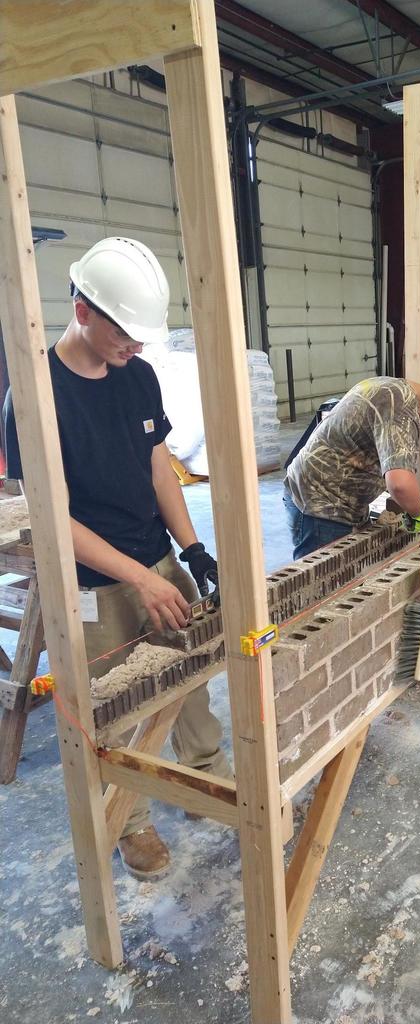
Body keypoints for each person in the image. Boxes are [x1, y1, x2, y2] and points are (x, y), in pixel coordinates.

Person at [4, 237, 231, 880]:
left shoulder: (138, 375)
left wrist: (190, 550)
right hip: (92, 583)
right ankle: (130, 822)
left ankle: (206, 777)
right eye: (124, 333)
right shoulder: (36, 393)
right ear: (82, 308)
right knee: (116, 705)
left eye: (140, 336)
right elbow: (52, 517)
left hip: (154, 557)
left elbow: (157, 463)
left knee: (188, 681)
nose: (135, 346)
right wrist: (137, 579)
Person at [283, 372, 420, 558]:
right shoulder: (399, 405)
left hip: (336, 501)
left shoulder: (396, 391)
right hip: (322, 505)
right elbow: (399, 484)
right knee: (323, 591)